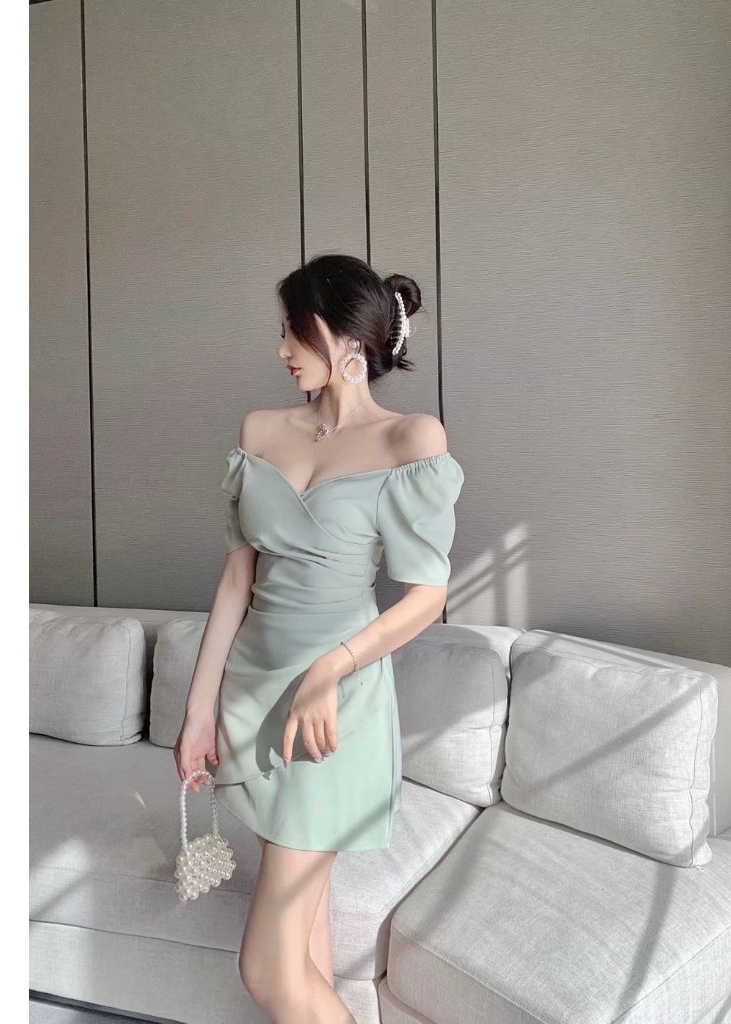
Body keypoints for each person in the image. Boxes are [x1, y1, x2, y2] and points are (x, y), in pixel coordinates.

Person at [173, 253, 465, 1023]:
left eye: (294, 332)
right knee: (302, 948)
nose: (281, 350)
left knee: (266, 970)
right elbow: (235, 583)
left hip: (332, 708)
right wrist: (198, 713)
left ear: (345, 338)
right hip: (254, 693)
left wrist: (331, 669)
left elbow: (427, 596)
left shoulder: (411, 439)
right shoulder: (260, 430)